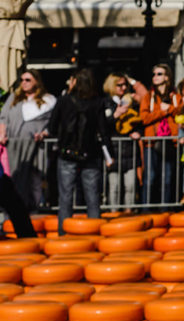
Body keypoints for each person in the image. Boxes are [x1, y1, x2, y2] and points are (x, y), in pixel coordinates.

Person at [41, 68, 108, 223]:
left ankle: (63, 235)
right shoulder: (97, 102)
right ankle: (94, 231)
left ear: (75, 82)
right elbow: (103, 131)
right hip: (91, 153)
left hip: (67, 151)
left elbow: (52, 126)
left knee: (65, 196)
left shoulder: (64, 101)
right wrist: (109, 154)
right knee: (92, 196)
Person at [0, 68, 56, 210]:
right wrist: (2, 134)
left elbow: (53, 124)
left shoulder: (47, 101)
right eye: (22, 80)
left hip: (36, 147)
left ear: (36, 81)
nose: (23, 83)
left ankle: (33, 211)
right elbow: (3, 118)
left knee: (35, 181)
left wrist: (44, 133)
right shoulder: (14, 98)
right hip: (14, 146)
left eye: (28, 80)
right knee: (14, 179)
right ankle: (14, 213)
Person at [139, 64, 183, 205]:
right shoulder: (148, 97)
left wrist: (169, 109)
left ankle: (166, 208)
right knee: (150, 177)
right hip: (152, 142)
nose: (155, 77)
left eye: (159, 74)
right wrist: (162, 112)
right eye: (154, 74)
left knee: (168, 177)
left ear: (167, 77)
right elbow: (144, 118)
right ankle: (146, 207)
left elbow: (181, 115)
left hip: (170, 141)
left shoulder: (176, 97)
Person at [102, 73, 143, 207]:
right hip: (113, 149)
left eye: (125, 85)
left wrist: (137, 132)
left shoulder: (132, 102)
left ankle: (129, 211)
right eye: (119, 85)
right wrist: (116, 115)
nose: (123, 88)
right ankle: (113, 212)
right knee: (114, 186)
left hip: (130, 150)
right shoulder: (106, 103)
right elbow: (102, 126)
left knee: (130, 185)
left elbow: (141, 121)